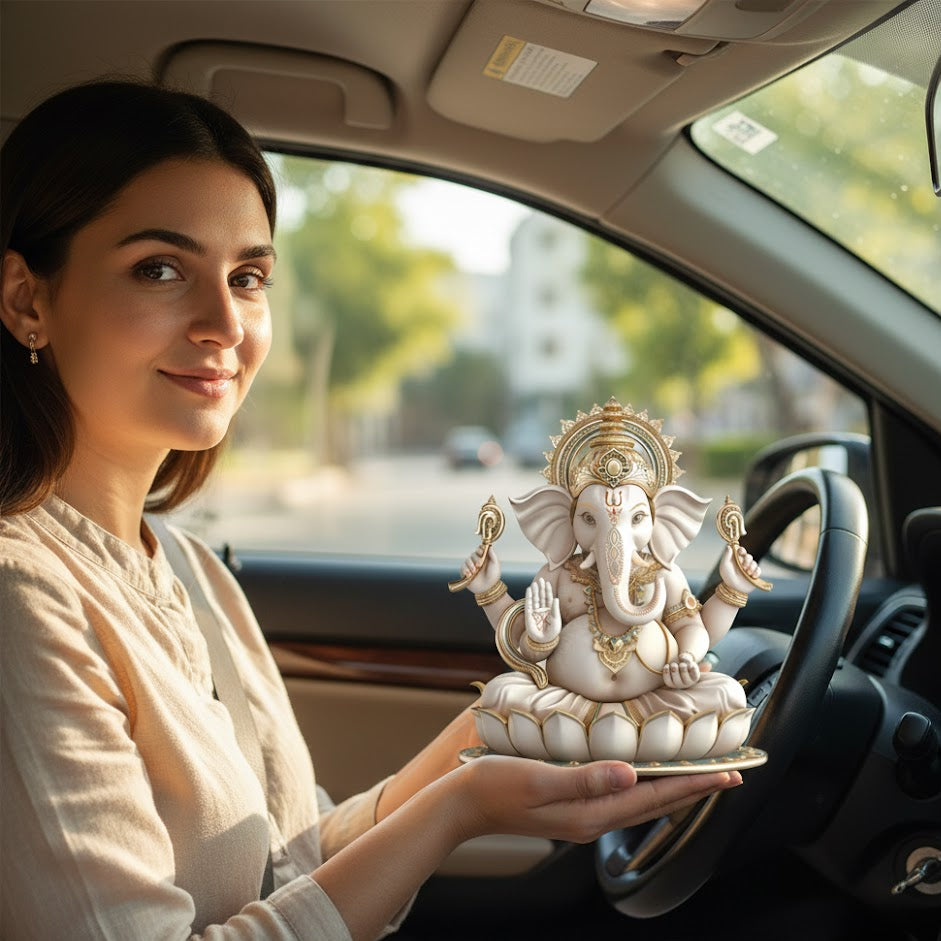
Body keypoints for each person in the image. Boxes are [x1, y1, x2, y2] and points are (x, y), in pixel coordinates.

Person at [0, 80, 743, 941]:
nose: (223, 323)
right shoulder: (23, 597)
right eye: (160, 269)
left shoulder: (189, 568)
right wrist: (457, 808)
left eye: (247, 276)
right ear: (26, 300)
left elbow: (289, 861)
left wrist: (490, 732)